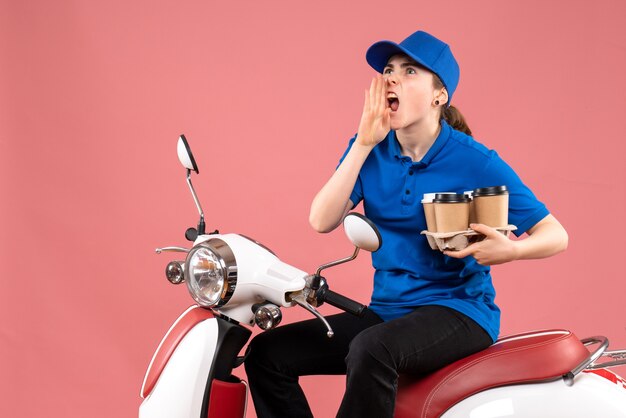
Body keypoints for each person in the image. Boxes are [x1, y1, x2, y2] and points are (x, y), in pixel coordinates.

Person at [245, 30, 568, 418]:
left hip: (460, 312)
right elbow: (321, 219)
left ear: (439, 95)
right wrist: (363, 143)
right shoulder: (370, 149)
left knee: (370, 348)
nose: (391, 78)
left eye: (409, 70)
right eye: (388, 70)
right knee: (268, 354)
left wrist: (512, 249)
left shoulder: (474, 161)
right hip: (387, 311)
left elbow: (556, 235)